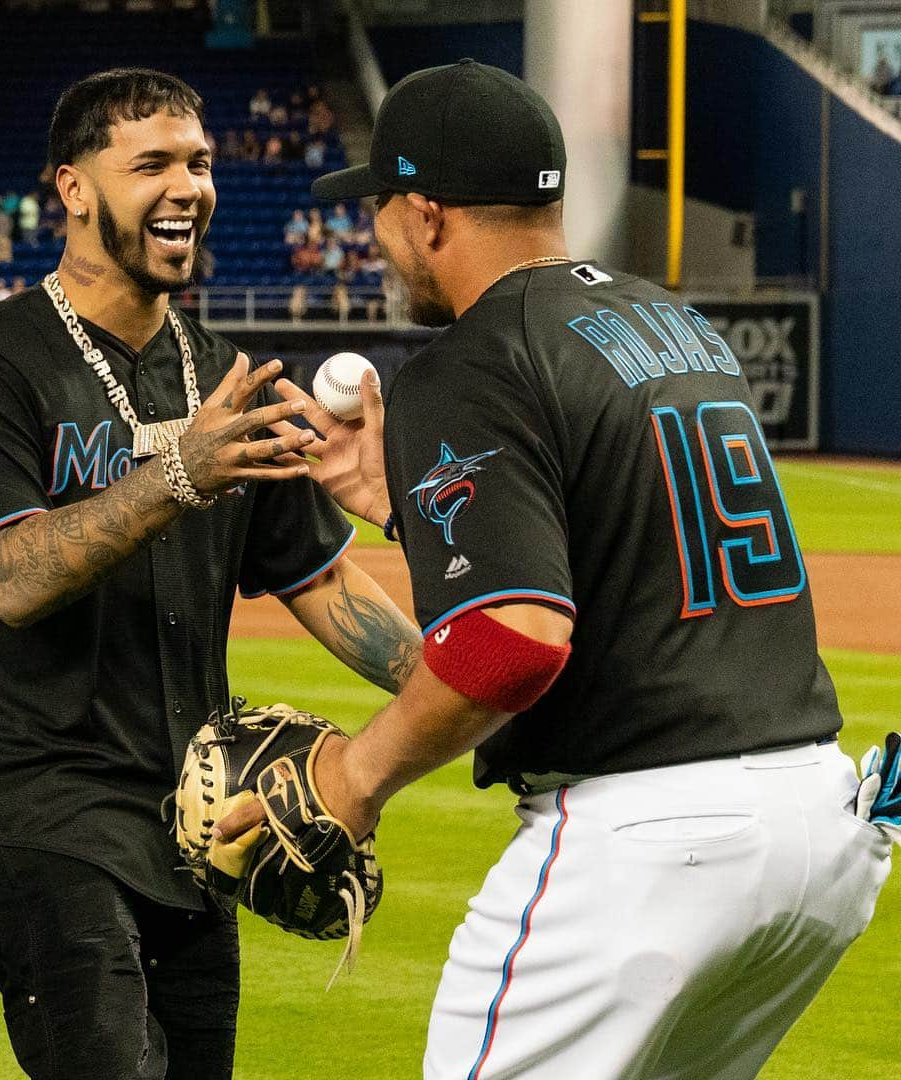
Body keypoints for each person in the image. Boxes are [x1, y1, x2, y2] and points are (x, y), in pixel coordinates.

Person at [219, 60, 894, 1078]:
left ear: (429, 210)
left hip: (652, 844)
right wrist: (413, 504)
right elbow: (627, 545)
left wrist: (355, 776)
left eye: (383, 210)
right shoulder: (674, 324)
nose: (377, 235)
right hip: (821, 823)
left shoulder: (470, 359)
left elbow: (513, 641)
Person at [0, 67, 420, 1080]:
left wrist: (466, 691)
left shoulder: (225, 375)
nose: (187, 185)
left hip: (194, 824)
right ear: (74, 189)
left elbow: (323, 583)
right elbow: (9, 578)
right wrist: (177, 474)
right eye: (151, 164)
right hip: (43, 814)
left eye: (200, 162)